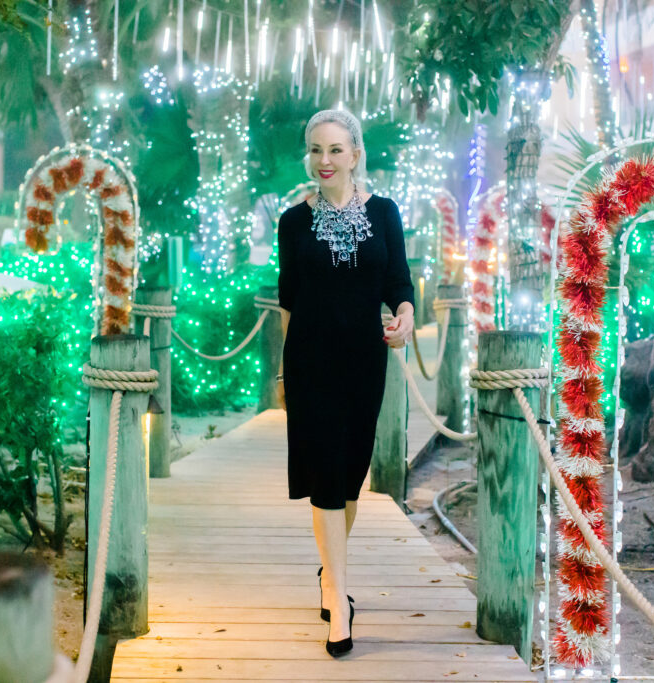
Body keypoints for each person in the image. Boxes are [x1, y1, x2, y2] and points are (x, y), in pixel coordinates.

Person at [275, 109, 415, 657]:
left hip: (364, 362)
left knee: (349, 477)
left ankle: (328, 570)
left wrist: (404, 315)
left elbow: (398, 280)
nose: (324, 160)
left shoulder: (384, 213)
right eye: (315, 150)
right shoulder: (292, 221)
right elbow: (289, 301)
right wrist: (285, 374)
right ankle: (337, 598)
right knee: (326, 479)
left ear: (356, 154)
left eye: (335, 149)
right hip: (312, 363)